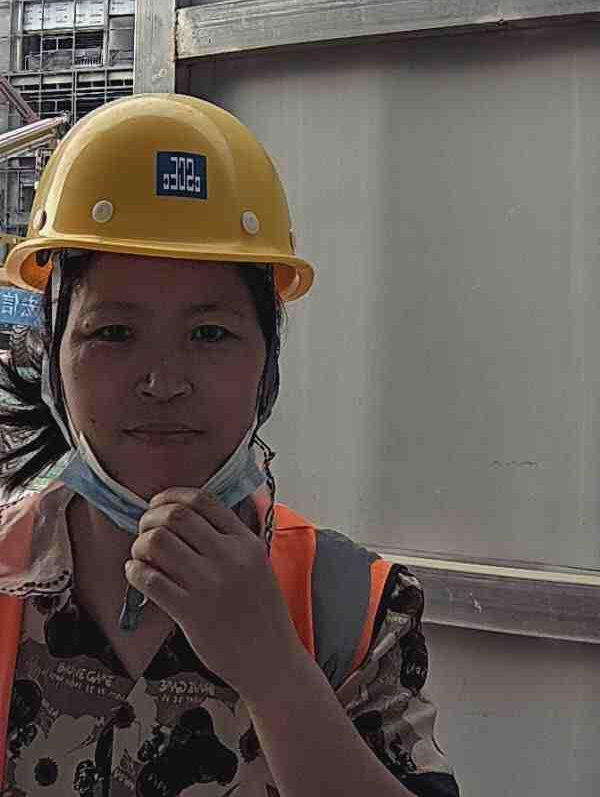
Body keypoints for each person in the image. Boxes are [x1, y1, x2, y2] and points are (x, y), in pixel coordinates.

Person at [0, 93, 460, 797]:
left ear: (267, 364)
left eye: (209, 333)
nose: (162, 382)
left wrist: (273, 671)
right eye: (114, 333)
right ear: (53, 356)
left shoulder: (352, 605)